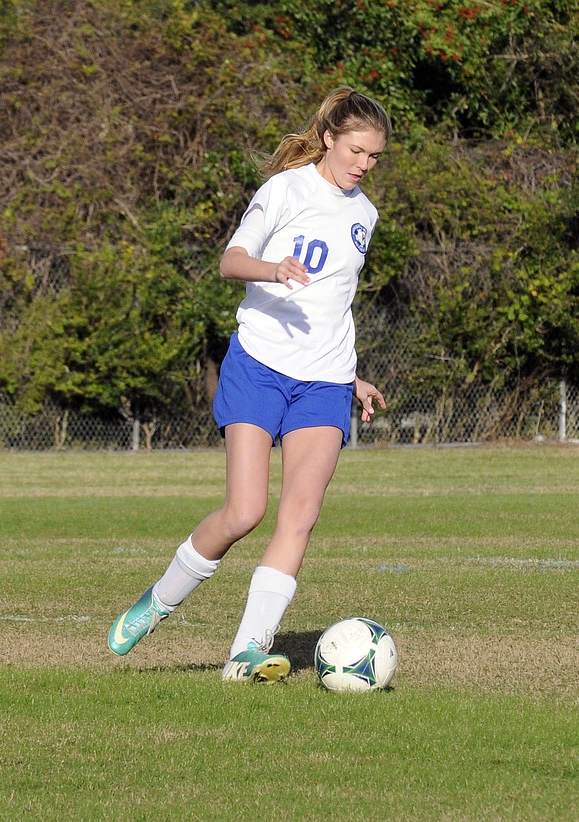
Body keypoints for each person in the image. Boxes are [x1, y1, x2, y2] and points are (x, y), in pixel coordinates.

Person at [108, 86, 392, 682]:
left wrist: (354, 376)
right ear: (328, 139)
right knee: (245, 511)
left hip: (326, 379)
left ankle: (247, 652)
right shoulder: (285, 190)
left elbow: (335, 305)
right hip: (260, 363)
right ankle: (159, 600)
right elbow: (229, 261)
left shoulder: (364, 213)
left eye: (375, 157)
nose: (365, 165)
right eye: (357, 151)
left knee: (300, 516)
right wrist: (274, 269)